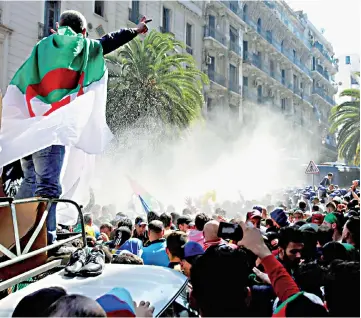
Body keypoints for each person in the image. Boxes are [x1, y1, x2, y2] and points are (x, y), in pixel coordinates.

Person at [12, 10, 149, 245]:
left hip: (27, 127)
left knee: (30, 180)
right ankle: (45, 240)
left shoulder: (44, 46)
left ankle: (15, 232)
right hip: (51, 129)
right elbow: (106, 43)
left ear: (59, 26)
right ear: (83, 33)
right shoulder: (80, 47)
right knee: (48, 186)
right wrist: (135, 31)